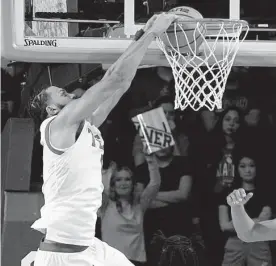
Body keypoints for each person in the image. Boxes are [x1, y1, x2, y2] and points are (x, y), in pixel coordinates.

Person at [29, 13, 178, 266]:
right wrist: (153, 34)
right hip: (66, 253)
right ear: (52, 110)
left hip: (87, 245)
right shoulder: (58, 124)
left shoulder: (85, 125)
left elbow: (121, 83)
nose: (69, 91)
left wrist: (142, 37)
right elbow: (115, 79)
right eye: (61, 94)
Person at [100, 155, 160, 266]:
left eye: (127, 179)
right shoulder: (105, 204)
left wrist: (150, 159)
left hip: (135, 262)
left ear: (133, 184)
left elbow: (155, 184)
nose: (123, 183)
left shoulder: (140, 205)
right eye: (118, 180)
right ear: (112, 185)